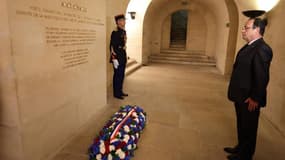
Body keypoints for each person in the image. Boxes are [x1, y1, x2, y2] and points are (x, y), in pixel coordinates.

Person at [225, 18, 273, 160]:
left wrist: (255, 98)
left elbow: (262, 77)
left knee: (249, 128)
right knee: (242, 124)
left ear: (257, 29)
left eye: (246, 27)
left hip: (250, 99)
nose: (243, 30)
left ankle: (245, 155)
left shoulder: (262, 49)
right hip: (241, 96)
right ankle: (240, 148)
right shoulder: (249, 46)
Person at [110, 14, 128, 100]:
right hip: (117, 57)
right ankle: (116, 93)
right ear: (118, 22)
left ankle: (120, 91)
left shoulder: (123, 31)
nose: (124, 22)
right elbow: (112, 46)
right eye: (123, 20)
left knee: (121, 75)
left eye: (124, 20)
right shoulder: (115, 32)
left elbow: (123, 44)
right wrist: (114, 59)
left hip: (123, 55)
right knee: (117, 75)